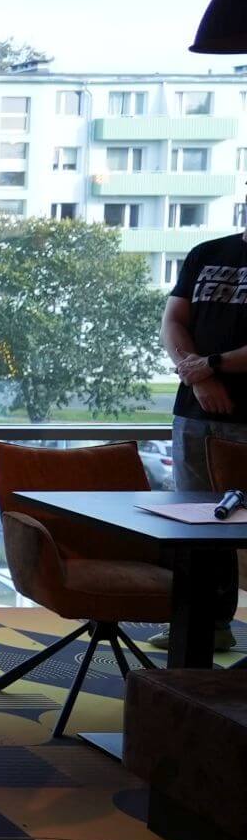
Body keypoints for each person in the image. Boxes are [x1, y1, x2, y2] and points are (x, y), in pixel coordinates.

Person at [159, 226, 247, 651]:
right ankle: (203, 626)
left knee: (235, 528)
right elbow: (173, 321)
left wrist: (210, 365)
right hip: (194, 412)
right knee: (195, 524)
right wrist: (197, 377)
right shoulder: (207, 253)